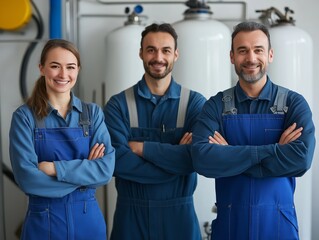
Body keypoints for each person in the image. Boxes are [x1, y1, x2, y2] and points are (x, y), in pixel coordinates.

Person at [191, 21, 316, 240]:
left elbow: (301, 160)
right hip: (231, 227)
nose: (251, 58)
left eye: (258, 50)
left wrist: (230, 155)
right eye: (242, 51)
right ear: (232, 57)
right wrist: (276, 151)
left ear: (270, 55)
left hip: (278, 227)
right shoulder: (216, 105)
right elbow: (202, 159)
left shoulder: (294, 104)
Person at [103, 23, 205, 240]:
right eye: (151, 50)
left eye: (166, 50)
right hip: (131, 218)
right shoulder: (118, 105)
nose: (158, 57)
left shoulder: (195, 104)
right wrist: (175, 159)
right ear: (141, 53)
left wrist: (142, 148)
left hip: (180, 219)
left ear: (176, 54)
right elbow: (117, 161)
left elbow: (196, 158)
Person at [9, 39, 115, 240]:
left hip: (88, 224)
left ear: (78, 70)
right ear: (42, 68)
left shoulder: (92, 114)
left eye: (70, 67)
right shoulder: (25, 117)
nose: (63, 74)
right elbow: (28, 179)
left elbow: (105, 171)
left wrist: (54, 169)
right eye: (55, 66)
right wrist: (85, 178)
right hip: (43, 225)